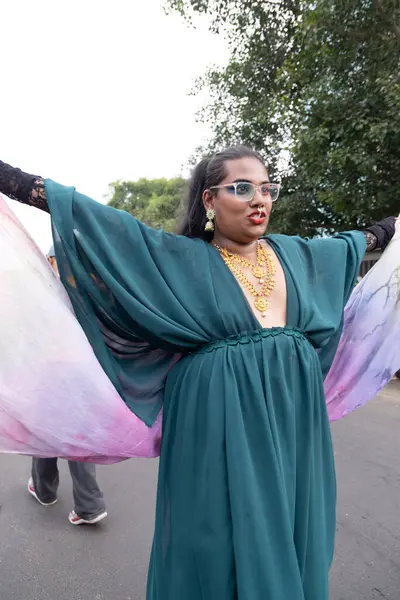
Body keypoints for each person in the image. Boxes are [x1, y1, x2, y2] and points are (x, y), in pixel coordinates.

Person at [0, 149, 395, 599]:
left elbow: (354, 243)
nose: (259, 199)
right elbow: (101, 225)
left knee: (293, 524)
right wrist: (10, 178)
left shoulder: (300, 256)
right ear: (209, 200)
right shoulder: (179, 260)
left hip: (295, 424)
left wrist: (388, 227)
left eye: (267, 189)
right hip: (212, 424)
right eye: (242, 188)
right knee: (215, 540)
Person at [27, 245, 108, 526]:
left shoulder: (47, 291)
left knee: (47, 432)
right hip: (85, 373)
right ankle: (88, 505)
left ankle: (45, 490)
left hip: (53, 373)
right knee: (77, 434)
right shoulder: (93, 290)